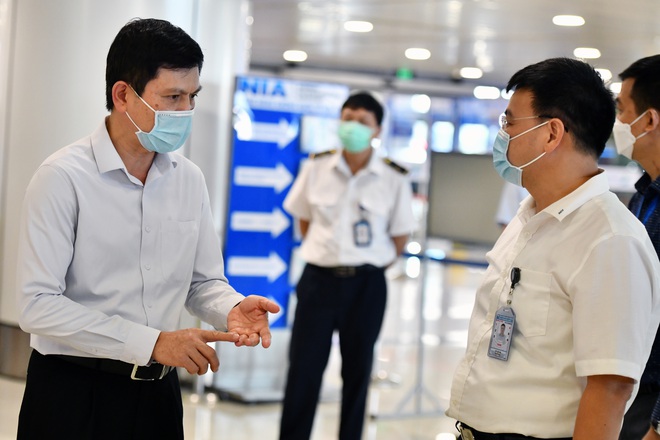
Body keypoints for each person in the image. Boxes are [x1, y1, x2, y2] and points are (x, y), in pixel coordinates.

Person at [15, 18, 280, 440]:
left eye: (192, 96)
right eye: (172, 97)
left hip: (158, 394)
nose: (185, 110)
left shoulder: (188, 179)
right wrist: (152, 342)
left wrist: (230, 307)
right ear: (123, 95)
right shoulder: (63, 177)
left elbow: (202, 281)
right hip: (74, 391)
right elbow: (38, 304)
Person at [446, 57, 660, 440]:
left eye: (510, 122)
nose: (503, 133)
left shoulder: (610, 239)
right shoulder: (529, 215)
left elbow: (610, 387)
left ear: (551, 133)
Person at [279, 91, 416, 440]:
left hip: (366, 286)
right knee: (303, 371)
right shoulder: (316, 166)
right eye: (347, 118)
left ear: (377, 130)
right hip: (318, 281)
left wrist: (366, 263)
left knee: (357, 373)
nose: (352, 126)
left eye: (362, 121)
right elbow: (305, 221)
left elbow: (399, 236)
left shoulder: (394, 176)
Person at [613, 55, 660, 440]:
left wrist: (658, 423)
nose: (617, 123)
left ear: (649, 120)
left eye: (621, 110)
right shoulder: (644, 196)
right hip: (632, 384)